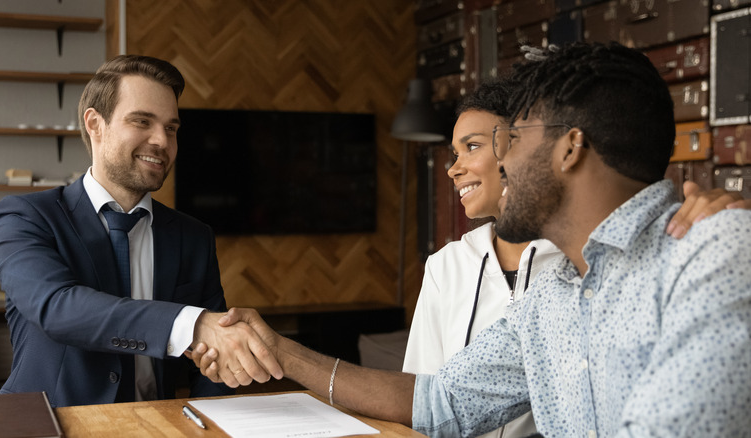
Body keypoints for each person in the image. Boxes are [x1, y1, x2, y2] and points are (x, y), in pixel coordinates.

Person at [193, 42, 751, 437]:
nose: (501, 160)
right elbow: (439, 401)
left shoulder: (715, 253)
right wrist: (280, 351)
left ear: (569, 147)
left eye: (515, 138)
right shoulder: (553, 296)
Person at [404, 78, 747, 438]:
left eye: (474, 147)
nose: (453, 169)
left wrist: (726, 223)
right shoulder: (472, 271)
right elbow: (435, 399)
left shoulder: (594, 260)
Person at [0, 55, 282, 407]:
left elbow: (211, 365)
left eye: (171, 128)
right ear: (95, 124)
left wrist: (207, 421)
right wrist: (190, 323)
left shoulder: (194, 237)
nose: (162, 140)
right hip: (47, 424)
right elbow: (58, 308)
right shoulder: (25, 217)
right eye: (142, 121)